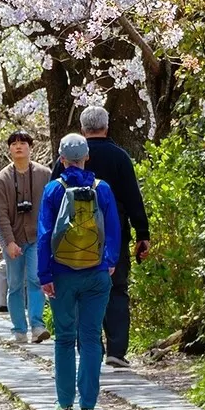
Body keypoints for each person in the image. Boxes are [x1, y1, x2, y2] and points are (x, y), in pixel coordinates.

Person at [37, 133, 122, 410]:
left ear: (61, 159)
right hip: (96, 273)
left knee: (64, 339)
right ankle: (88, 406)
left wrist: (44, 273)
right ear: (87, 157)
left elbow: (44, 235)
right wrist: (109, 262)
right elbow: (113, 230)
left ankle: (65, 405)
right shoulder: (103, 189)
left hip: (61, 274)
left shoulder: (53, 190)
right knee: (90, 338)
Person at [79, 105, 152, 368]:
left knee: (83, 290)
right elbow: (133, 197)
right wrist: (142, 233)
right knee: (117, 288)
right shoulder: (119, 157)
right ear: (106, 126)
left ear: (83, 128)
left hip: (76, 239)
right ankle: (116, 350)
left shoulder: (70, 156)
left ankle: (90, 347)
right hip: (115, 234)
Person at [0, 131, 54, 342]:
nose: (19, 147)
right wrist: (8, 242)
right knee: (15, 283)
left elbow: (51, 206)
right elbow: (0, 214)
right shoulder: (2, 179)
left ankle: (37, 325)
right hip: (14, 237)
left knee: (36, 279)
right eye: (14, 143)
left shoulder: (44, 174)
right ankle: (19, 328)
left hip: (37, 237)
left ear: (30, 147)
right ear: (9, 148)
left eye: (23, 143)